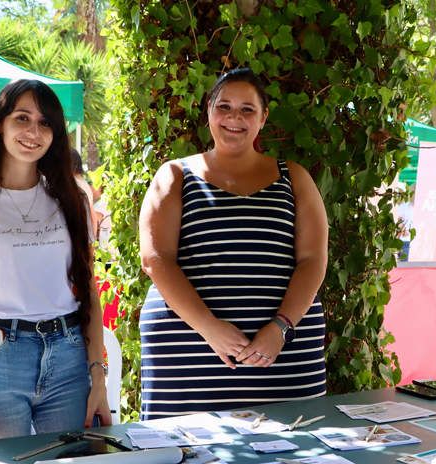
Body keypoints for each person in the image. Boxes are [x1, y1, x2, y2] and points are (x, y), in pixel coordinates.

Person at [138, 68, 328, 419]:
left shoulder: (295, 177)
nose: (234, 118)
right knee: (182, 461)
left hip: (283, 355)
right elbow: (155, 259)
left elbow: (313, 260)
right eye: (224, 106)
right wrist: (210, 329)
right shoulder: (175, 175)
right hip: (190, 355)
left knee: (294, 461)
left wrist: (280, 328)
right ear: (209, 109)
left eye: (247, 110)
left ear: (263, 117)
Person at [0, 79, 110, 441]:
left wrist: (98, 378)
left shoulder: (72, 197)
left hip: (68, 354)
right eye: (22, 118)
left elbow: (88, 291)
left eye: (45, 123)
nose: (34, 132)